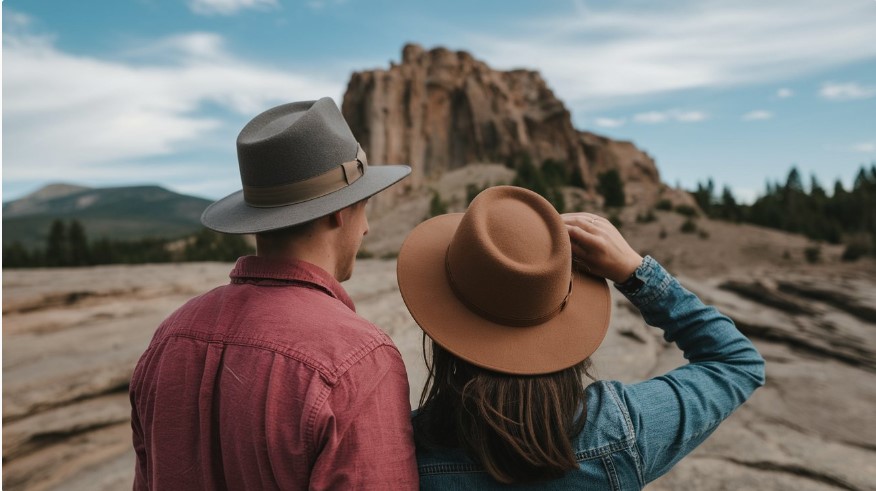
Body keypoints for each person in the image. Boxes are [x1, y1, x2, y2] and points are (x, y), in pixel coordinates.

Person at [130, 98, 418, 489]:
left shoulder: (168, 337)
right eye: (363, 206)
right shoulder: (358, 360)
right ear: (339, 211)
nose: (366, 228)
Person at [396, 185, 765, 489]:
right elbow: (737, 362)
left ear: (441, 326)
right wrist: (635, 272)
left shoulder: (402, 453)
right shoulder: (624, 429)